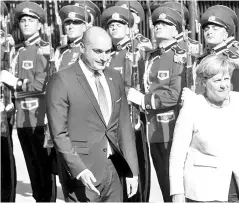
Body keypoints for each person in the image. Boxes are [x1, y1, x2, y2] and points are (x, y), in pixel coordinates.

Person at [46, 26, 139, 202]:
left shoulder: (114, 77)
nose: (104, 58)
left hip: (114, 170)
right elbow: (58, 133)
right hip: (82, 174)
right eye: (97, 51)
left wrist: (132, 171)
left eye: (108, 52)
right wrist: (79, 169)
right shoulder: (62, 80)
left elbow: (124, 127)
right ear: (82, 47)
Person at [169, 54, 239, 202]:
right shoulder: (192, 107)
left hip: (237, 188)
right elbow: (177, 154)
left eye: (226, 79)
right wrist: (177, 192)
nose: (223, 85)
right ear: (204, 82)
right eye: (217, 80)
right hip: (203, 191)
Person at [127, 6, 186, 202]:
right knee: (164, 184)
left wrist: (143, 100)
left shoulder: (178, 56)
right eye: (157, 24)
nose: (159, 26)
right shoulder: (152, 56)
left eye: (166, 24)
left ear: (176, 31)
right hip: (154, 130)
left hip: (171, 128)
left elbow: (173, 95)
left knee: (175, 187)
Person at [0, 1, 57, 202]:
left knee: (44, 175)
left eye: (31, 20)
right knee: (33, 173)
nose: (25, 24)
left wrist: (15, 82)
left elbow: (41, 85)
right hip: (22, 120)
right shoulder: (18, 50)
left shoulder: (44, 50)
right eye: (23, 20)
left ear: (40, 25)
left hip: (39, 119)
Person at [101, 6, 150, 202]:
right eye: (111, 25)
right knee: (118, 171)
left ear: (129, 28)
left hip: (133, 118)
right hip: (112, 121)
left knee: (137, 168)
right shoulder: (108, 56)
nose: (114, 28)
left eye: (119, 25)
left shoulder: (139, 49)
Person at [196, 5, 239, 94]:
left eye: (215, 29)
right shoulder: (206, 55)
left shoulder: (232, 55)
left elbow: (237, 88)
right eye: (206, 29)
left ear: (226, 35)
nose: (209, 32)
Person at [0, 2, 16, 202]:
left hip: (2, 106)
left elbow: (13, 71)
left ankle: (6, 198)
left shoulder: (6, 43)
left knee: (4, 156)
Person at [54, 1, 100, 71]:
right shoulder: (60, 51)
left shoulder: (90, 50)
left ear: (84, 27)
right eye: (68, 23)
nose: (70, 26)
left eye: (75, 23)